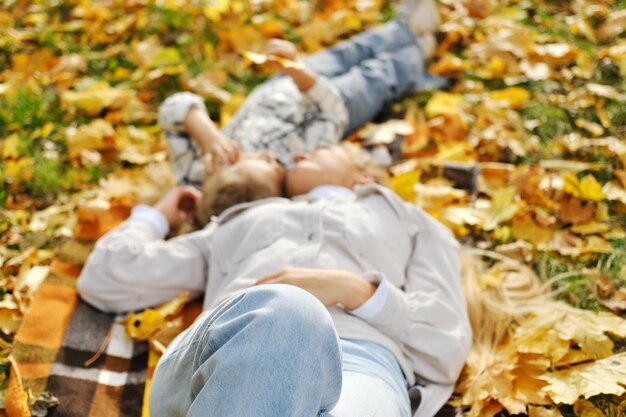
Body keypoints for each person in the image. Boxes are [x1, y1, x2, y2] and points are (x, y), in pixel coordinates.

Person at [77, 141, 472, 417]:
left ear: (363, 175)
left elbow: (444, 340)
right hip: (228, 359)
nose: (299, 153)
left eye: (319, 150)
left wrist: (351, 289)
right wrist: (158, 214)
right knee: (287, 312)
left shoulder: (409, 220)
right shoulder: (239, 222)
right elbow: (109, 276)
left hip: (362, 369)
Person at [158, 0, 444, 189]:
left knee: (347, 53)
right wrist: (305, 80)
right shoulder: (291, 167)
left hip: (283, 86)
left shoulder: (199, 174)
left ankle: (404, 28)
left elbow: (175, 107)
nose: (265, 156)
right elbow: (331, 114)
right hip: (329, 99)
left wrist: (208, 134)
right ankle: (419, 49)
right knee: (377, 76)